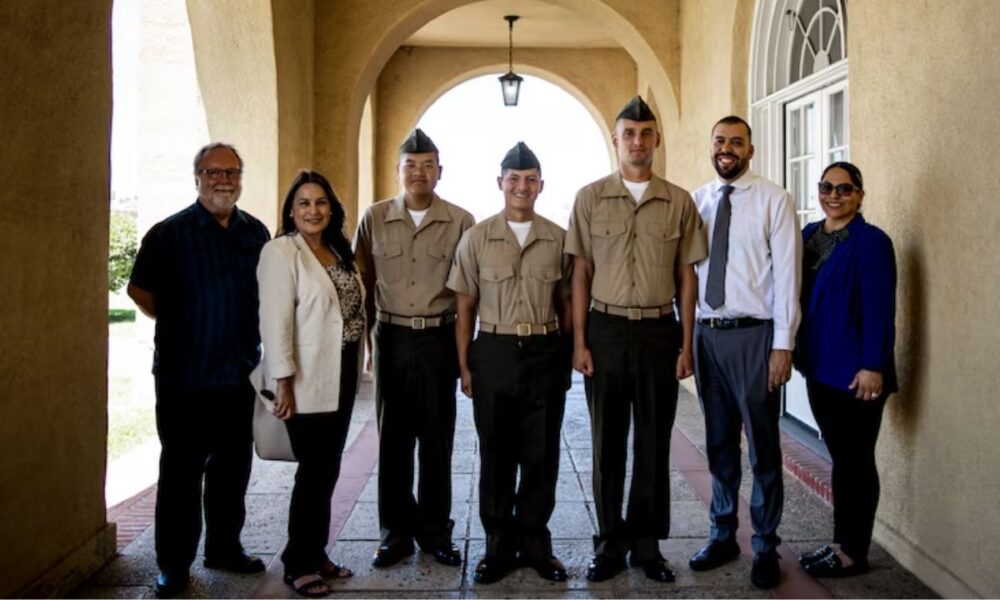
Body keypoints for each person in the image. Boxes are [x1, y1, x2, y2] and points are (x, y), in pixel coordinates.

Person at [565, 96, 707, 583]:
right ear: (616, 139)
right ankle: (608, 544)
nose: (638, 142)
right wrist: (580, 341)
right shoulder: (589, 198)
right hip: (604, 329)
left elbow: (687, 276)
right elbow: (579, 272)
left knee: (652, 441)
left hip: (657, 330)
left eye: (646, 134)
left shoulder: (678, 201)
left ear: (656, 140)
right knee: (607, 442)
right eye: (629, 133)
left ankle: (647, 546)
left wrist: (687, 344)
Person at [127, 143, 270, 599]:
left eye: (231, 172)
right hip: (183, 377)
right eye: (213, 172)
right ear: (197, 177)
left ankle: (224, 548)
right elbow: (140, 291)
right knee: (181, 476)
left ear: (240, 178)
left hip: (238, 375)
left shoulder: (256, 233)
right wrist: (184, 323)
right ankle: (173, 564)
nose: (223, 180)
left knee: (232, 471)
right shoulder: (169, 233)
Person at [447, 142, 573, 584]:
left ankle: (536, 544)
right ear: (499, 183)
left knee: (542, 455)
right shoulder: (476, 238)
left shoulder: (558, 237)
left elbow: (566, 301)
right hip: (494, 350)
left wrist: (570, 355)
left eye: (530, 179)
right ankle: (498, 547)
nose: (522, 186)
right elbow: (465, 306)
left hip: (544, 350)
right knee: (497, 454)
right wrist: (464, 365)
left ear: (541, 185)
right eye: (514, 179)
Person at [688, 115, 801, 589]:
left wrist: (782, 346)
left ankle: (766, 547)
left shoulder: (774, 199)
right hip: (707, 334)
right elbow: (688, 274)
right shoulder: (698, 201)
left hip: (755, 337)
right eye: (720, 141)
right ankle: (722, 534)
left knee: (762, 446)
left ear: (750, 150)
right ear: (711, 147)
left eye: (736, 142)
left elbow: (789, 277)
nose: (727, 149)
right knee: (718, 442)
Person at [354, 129, 475, 568]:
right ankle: (395, 534)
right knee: (394, 440)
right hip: (391, 336)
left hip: (439, 337)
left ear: (439, 172)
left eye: (427, 165)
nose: (419, 172)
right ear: (398, 170)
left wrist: (465, 359)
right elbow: (363, 283)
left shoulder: (462, 221)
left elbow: (468, 296)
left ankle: (435, 533)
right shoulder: (374, 217)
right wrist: (367, 345)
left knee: (437, 439)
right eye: (410, 164)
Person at [256, 171, 366, 597]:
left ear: (331, 209)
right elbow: (275, 320)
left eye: (321, 202)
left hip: (338, 371)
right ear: (290, 210)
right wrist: (281, 380)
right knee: (313, 471)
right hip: (303, 377)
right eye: (303, 203)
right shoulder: (281, 252)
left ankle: (315, 551)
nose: (313, 210)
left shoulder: (337, 250)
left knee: (328, 468)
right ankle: (297, 562)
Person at [795, 162, 897, 578]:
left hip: (858, 374)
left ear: (859, 195)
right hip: (820, 369)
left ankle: (854, 552)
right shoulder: (808, 237)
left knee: (856, 461)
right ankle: (841, 543)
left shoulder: (871, 242)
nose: (834, 195)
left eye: (844, 188)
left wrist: (874, 365)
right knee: (841, 460)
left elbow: (879, 308)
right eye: (826, 187)